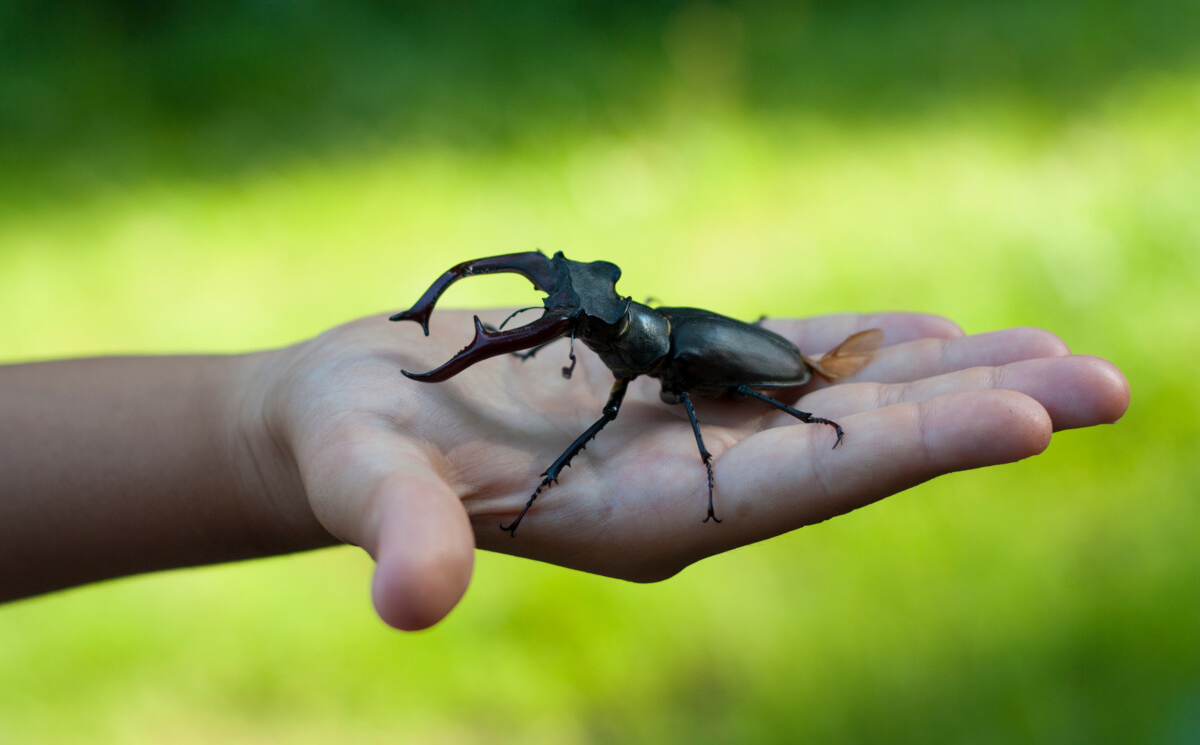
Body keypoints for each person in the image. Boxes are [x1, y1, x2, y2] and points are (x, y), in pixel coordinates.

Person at [0, 310, 1129, 631]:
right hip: (716, 344)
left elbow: (689, 395)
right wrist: (252, 422)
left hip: (748, 360)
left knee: (701, 398)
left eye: (594, 340)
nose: (586, 353)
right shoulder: (632, 345)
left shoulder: (666, 357)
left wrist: (246, 420)